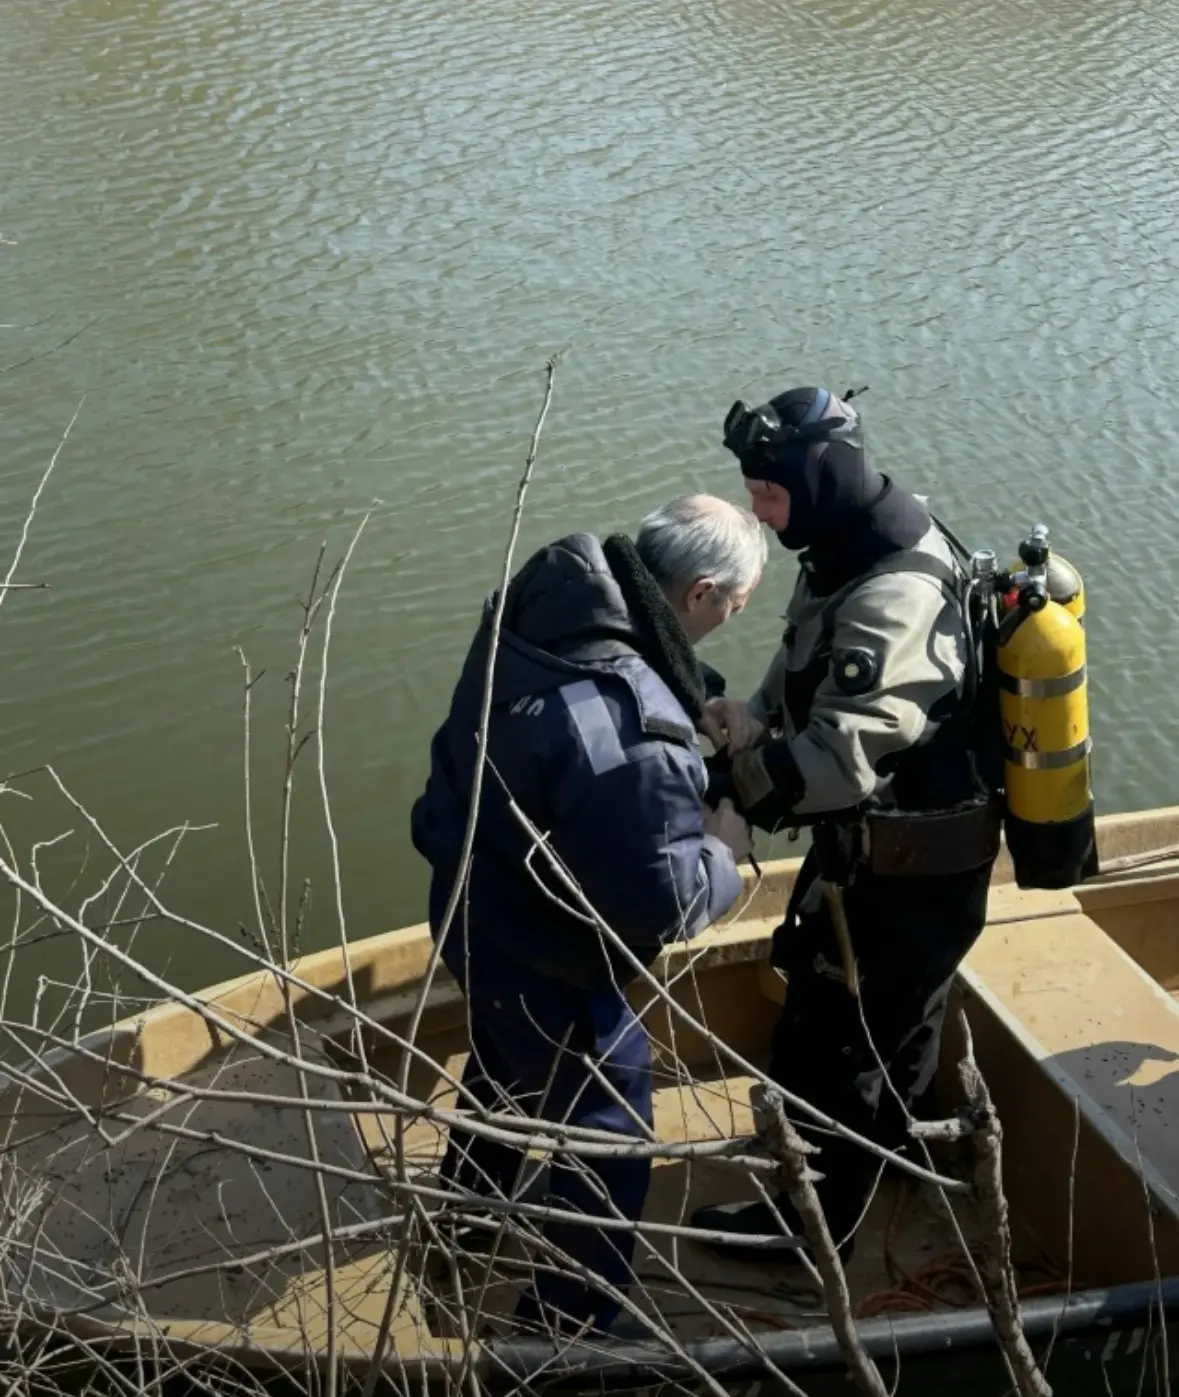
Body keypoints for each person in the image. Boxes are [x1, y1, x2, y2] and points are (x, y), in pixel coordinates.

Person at [410, 493, 764, 1335]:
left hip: (470, 908)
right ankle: (564, 1328)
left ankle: (463, 1215)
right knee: (610, 1145)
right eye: (735, 609)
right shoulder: (631, 732)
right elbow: (660, 899)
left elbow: (574, 724)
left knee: (501, 1066)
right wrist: (721, 850)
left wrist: (691, 693)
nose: (730, 622)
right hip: (552, 964)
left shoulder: (534, 611)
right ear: (701, 593)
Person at [692, 386, 1002, 1259]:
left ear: (820, 475)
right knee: (886, 1027)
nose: (757, 507)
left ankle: (809, 1233)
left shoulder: (892, 594)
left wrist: (731, 787)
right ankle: (884, 1157)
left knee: (846, 1042)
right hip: (884, 858)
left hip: (909, 870)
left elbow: (835, 764)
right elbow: (801, 666)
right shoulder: (843, 545)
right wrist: (749, 720)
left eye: (769, 489)